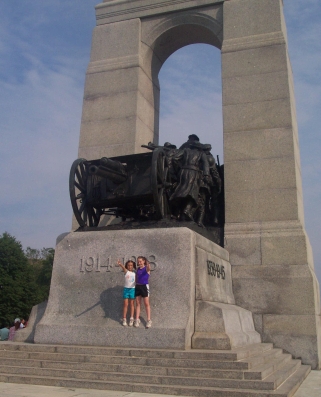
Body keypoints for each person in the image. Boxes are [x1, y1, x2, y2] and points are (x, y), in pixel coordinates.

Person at [117, 259, 136, 326]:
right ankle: (124, 318)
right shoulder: (126, 272)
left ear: (133, 266)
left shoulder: (135, 273)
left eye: (131, 265)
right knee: (125, 304)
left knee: (132, 304)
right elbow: (123, 268)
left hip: (132, 289)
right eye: (128, 265)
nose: (130, 266)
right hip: (126, 289)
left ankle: (131, 318)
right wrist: (120, 264)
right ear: (127, 266)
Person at [134, 256, 152, 328]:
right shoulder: (138, 269)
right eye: (138, 261)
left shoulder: (146, 268)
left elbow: (149, 268)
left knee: (146, 303)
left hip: (144, 287)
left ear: (144, 261)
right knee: (138, 303)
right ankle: (137, 319)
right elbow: (136, 279)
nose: (139, 262)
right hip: (138, 286)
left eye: (140, 261)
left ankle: (148, 320)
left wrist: (148, 265)